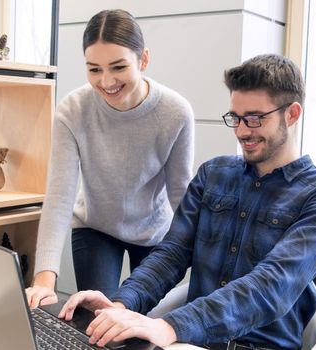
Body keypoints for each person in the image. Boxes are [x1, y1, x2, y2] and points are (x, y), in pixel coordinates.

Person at [57, 54, 316, 350]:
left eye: (254, 118)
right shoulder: (213, 174)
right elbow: (172, 254)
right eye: (235, 118)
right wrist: (122, 304)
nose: (241, 131)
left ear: (291, 114)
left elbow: (272, 285)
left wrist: (170, 326)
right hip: (189, 341)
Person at [26, 9, 195, 308]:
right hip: (96, 227)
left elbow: (180, 193)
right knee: (98, 321)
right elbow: (60, 196)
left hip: (154, 231)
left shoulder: (175, 112)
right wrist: (44, 279)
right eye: (94, 69)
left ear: (143, 59)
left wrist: (201, 259)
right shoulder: (72, 110)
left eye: (118, 67)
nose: (106, 81)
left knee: (144, 323)